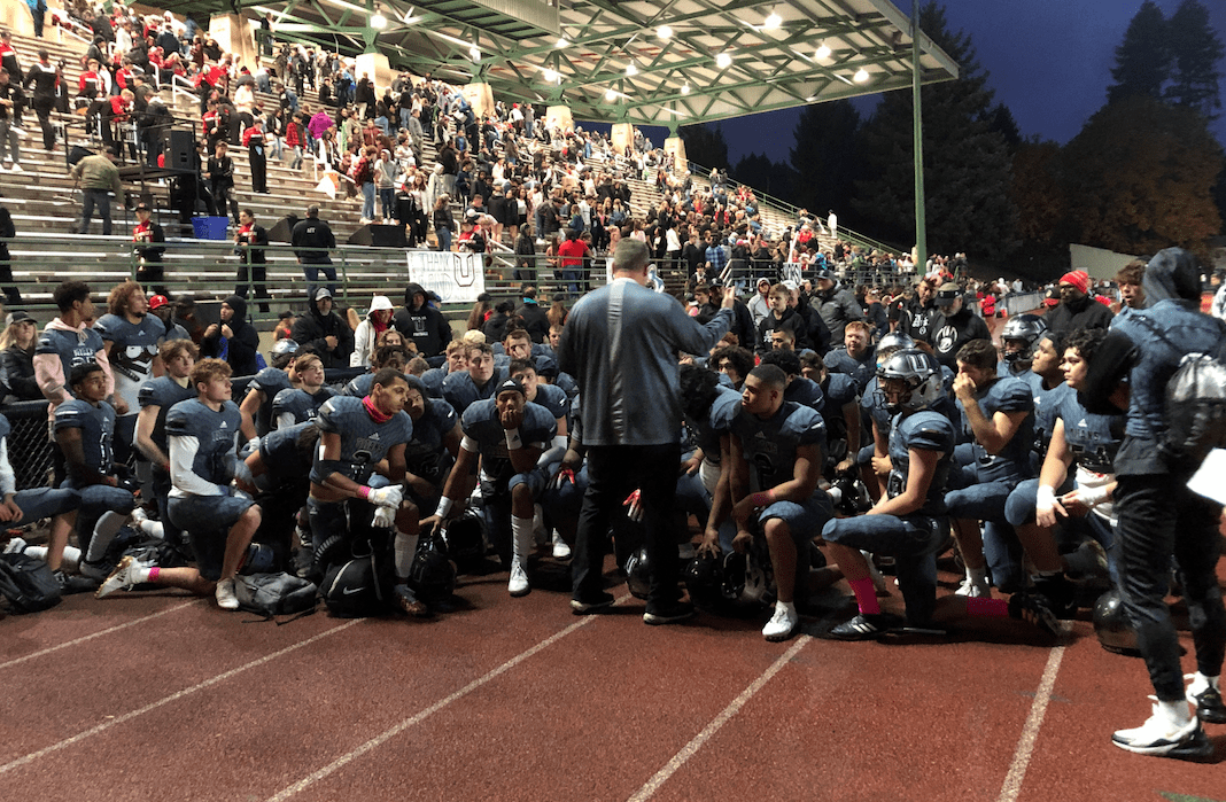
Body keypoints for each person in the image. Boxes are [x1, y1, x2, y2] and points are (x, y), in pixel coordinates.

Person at [558, 238, 736, 622]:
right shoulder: (660, 303)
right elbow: (702, 343)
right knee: (658, 509)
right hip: (655, 427)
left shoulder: (583, 306)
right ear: (646, 268)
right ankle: (660, 601)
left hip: (600, 427)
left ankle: (585, 592)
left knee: (596, 505)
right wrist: (726, 311)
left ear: (611, 267)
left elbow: (566, 362)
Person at [1106, 248, 1226, 758]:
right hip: (1207, 467)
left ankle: (1176, 718)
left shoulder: (1132, 324)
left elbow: (1092, 390)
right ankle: (1210, 686)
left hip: (1149, 464)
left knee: (1142, 590)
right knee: (1202, 581)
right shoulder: (1220, 331)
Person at [97, 359, 262, 610]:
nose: (229, 385)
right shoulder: (186, 414)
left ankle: (137, 573)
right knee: (251, 513)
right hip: (188, 501)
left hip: (213, 499)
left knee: (207, 580)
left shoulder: (229, 411)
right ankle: (226, 581)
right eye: (221, 380)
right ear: (203, 387)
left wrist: (239, 468)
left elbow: (227, 455)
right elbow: (182, 477)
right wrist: (226, 491)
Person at [94, 281, 165, 466]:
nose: (145, 301)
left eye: (144, 297)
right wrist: (112, 394)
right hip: (123, 394)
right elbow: (100, 361)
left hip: (147, 395)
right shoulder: (110, 325)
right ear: (124, 303)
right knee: (123, 449)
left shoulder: (154, 324)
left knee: (150, 448)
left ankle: (147, 491)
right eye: (138, 298)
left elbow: (157, 361)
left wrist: (163, 389)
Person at [292, 287, 354, 368]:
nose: (325, 303)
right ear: (314, 302)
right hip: (311, 371)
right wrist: (324, 343)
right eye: (321, 300)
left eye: (328, 300)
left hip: (338, 371)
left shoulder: (338, 322)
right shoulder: (302, 323)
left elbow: (350, 343)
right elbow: (299, 348)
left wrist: (336, 348)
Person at [200, 295, 260, 376]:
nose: (223, 311)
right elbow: (206, 352)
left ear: (237, 311)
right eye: (222, 307)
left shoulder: (248, 330)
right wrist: (206, 337)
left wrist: (231, 338)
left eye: (228, 308)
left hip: (240, 375)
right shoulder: (218, 328)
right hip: (218, 374)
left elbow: (247, 356)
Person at [1044, 270, 1113, 335]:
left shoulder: (1101, 313)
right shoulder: (1055, 314)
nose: (1063, 291)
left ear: (1081, 288)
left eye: (1068, 287)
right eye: (1061, 287)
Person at [72, 146, 122, 235]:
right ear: (110, 155)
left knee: (86, 212)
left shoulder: (87, 159)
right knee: (105, 214)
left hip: (87, 188)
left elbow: (75, 171)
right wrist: (121, 201)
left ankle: (82, 231)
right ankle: (107, 233)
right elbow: (117, 186)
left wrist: (80, 178)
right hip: (101, 190)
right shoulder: (111, 167)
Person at [393, 282, 452, 357]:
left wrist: (445, 348)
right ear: (409, 298)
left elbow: (446, 333)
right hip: (410, 359)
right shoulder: (400, 317)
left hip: (435, 357)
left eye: (420, 296)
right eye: (415, 296)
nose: (418, 299)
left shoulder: (435, 314)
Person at [291, 204, 337, 298]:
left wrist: (298, 256)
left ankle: (313, 303)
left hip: (307, 258)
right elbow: (331, 240)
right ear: (317, 214)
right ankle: (329, 297)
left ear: (307, 213)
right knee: (332, 277)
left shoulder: (298, 226)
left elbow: (293, 243)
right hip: (322, 257)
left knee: (312, 282)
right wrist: (332, 248)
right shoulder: (324, 226)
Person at [234, 208, 270, 313]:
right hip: (244, 262)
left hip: (257, 262)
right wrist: (237, 243)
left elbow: (264, 244)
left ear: (251, 217)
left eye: (244, 216)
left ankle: (264, 312)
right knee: (240, 288)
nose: (241, 218)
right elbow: (239, 248)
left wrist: (249, 246)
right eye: (240, 216)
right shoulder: (240, 231)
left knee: (260, 288)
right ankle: (237, 312)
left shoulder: (259, 229)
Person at [0, 310, 40, 401]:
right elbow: (17, 385)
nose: (26, 327)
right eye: (20, 325)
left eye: (30, 324)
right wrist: (43, 378)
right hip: (21, 404)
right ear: (11, 330)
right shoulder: (6, 355)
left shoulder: (40, 352)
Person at [131, 203, 167, 296]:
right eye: (138, 212)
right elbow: (135, 245)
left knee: (159, 289)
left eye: (143, 212)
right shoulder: (136, 229)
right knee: (141, 291)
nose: (140, 215)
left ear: (149, 213)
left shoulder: (155, 228)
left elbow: (162, 246)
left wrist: (147, 249)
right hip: (141, 262)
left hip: (153, 262)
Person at [351, 295, 395, 368]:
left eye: (389, 312)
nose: (387, 316)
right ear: (376, 313)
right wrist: (356, 370)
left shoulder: (391, 328)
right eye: (383, 312)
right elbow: (357, 350)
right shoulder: (364, 327)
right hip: (367, 368)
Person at [0, 189, 20, 304]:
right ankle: (20, 316)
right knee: (9, 287)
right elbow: (11, 233)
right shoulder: (3, 211)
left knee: (9, 286)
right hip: (2, 252)